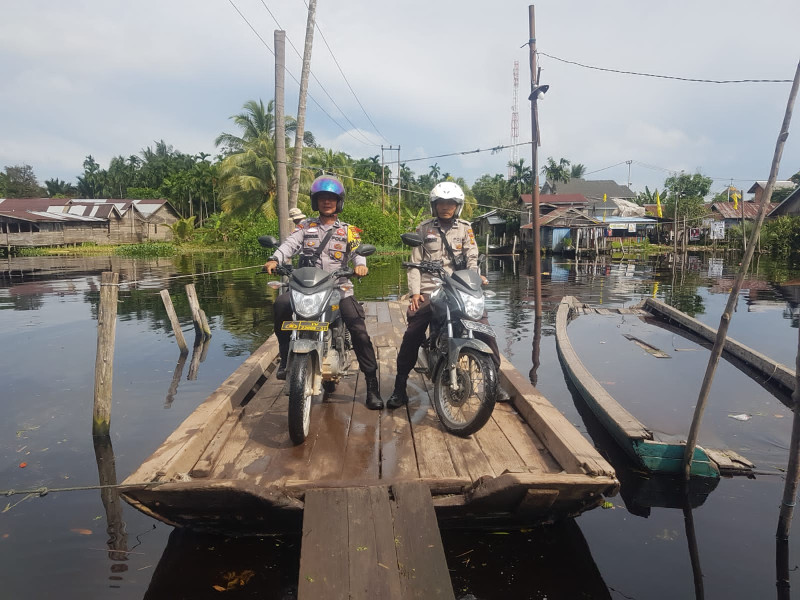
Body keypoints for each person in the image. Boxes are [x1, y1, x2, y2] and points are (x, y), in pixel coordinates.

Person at [264, 175, 384, 410]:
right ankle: (284, 355)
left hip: (338, 288)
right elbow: (289, 245)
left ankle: (372, 385)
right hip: (306, 288)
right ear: (315, 202)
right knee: (281, 305)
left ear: (339, 202)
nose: (327, 202)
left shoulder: (349, 230)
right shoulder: (305, 227)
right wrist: (274, 259)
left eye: (331, 198)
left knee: (359, 330)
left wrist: (361, 265)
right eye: (322, 198)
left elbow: (358, 252)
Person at [386, 181, 510, 409]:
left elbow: (472, 257)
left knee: (484, 327)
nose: (445, 207)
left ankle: (495, 381)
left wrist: (475, 279)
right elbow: (414, 264)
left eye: (450, 203)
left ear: (457, 206)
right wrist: (415, 293)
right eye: (441, 203)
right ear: (434, 205)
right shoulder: (424, 229)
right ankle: (399, 387)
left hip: (458, 286)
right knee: (413, 332)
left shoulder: (465, 228)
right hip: (429, 287)